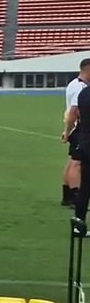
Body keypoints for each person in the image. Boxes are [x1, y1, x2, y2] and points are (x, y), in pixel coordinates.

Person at [63, 59, 90, 207]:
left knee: (72, 160)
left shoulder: (74, 83)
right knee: (77, 163)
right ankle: (75, 197)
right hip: (79, 128)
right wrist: (67, 131)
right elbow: (74, 111)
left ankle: (67, 195)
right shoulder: (80, 87)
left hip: (76, 128)